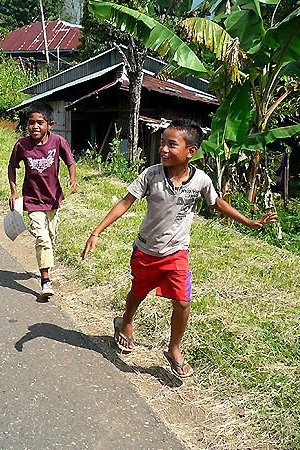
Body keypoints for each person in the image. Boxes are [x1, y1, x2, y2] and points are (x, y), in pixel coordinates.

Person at [80, 119, 277, 378]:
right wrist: (96, 231)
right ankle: (126, 321)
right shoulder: (151, 175)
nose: (163, 149)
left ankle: (174, 348)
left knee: (183, 301)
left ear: (190, 152)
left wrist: (248, 222)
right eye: (162, 143)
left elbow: (216, 202)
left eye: (171, 145)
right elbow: (125, 202)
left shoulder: (201, 181)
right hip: (146, 251)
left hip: (176, 253)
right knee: (138, 293)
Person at [8, 102, 78, 299]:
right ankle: (45, 280)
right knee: (42, 238)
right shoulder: (22, 145)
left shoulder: (58, 142)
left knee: (51, 236)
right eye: (31, 123)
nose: (35, 127)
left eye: (40, 122)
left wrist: (72, 179)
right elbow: (12, 167)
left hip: (53, 199)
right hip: (32, 200)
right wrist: (14, 192)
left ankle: (45, 263)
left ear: (50, 124)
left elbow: (70, 162)